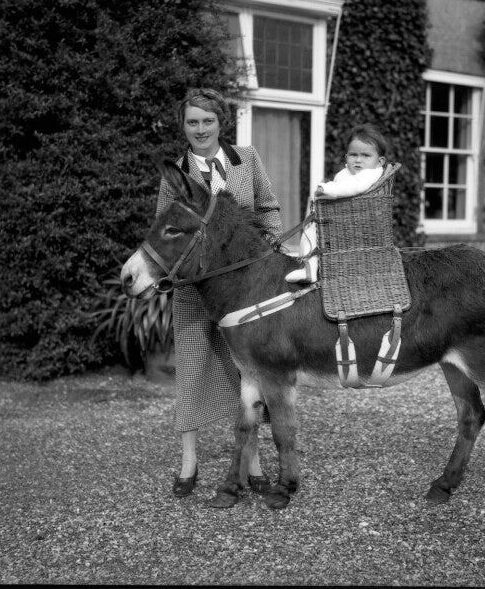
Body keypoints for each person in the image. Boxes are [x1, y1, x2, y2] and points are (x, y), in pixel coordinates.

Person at [156, 88, 283, 497]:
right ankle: (189, 462)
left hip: (245, 290)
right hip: (195, 291)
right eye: (192, 122)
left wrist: (272, 247)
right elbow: (166, 228)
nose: (200, 129)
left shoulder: (245, 160)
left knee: (246, 374)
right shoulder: (176, 172)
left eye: (207, 121)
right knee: (191, 372)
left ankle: (254, 461)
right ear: (184, 126)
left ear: (220, 123)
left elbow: (269, 206)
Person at [285, 123, 388, 284]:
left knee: (313, 229)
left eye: (366, 156)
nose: (358, 160)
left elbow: (353, 187)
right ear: (346, 157)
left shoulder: (370, 174)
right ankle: (308, 265)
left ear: (380, 161)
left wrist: (325, 189)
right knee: (311, 228)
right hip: (342, 219)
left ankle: (309, 267)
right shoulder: (347, 172)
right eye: (353, 155)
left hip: (353, 223)